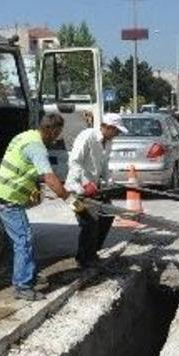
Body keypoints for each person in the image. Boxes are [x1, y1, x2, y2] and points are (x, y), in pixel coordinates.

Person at [0, 113, 74, 301]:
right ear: (51, 130)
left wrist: (33, 186)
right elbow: (50, 178)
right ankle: (22, 285)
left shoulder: (25, 136)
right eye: (57, 132)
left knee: (19, 239)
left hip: (1, 191)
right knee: (24, 239)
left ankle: (27, 275)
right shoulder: (37, 148)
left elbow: (24, 166)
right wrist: (71, 201)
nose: (57, 137)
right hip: (8, 197)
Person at [66, 112, 130, 268]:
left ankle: (92, 253)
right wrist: (80, 184)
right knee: (88, 222)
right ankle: (83, 259)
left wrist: (108, 181)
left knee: (107, 215)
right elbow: (75, 161)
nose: (117, 134)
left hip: (94, 189)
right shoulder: (87, 136)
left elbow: (104, 165)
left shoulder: (108, 142)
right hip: (75, 189)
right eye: (116, 131)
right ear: (107, 127)